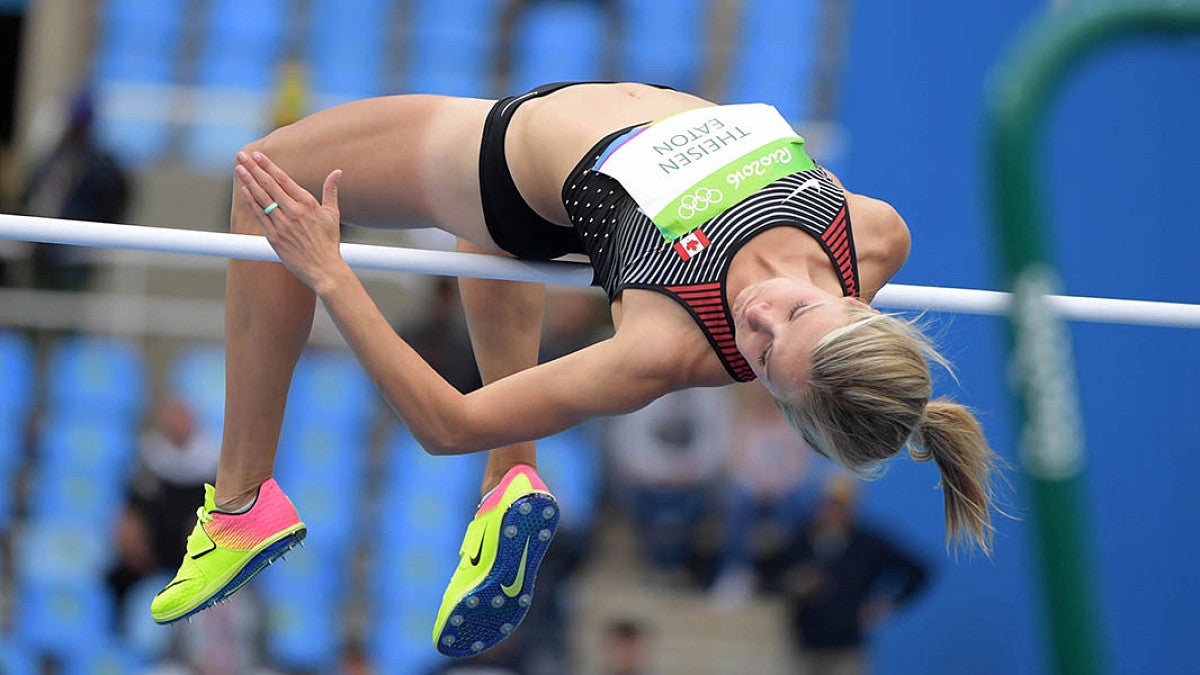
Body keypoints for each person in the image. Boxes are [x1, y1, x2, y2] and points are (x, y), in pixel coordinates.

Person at [148, 82, 999, 658]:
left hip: (511, 166)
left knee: (268, 174)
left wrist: (331, 273)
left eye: (765, 359)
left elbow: (444, 420)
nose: (761, 319)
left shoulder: (668, 344)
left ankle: (239, 501)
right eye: (799, 315)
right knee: (484, 256)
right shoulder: (877, 233)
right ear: (857, 304)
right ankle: (508, 481)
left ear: (767, 395)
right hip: (580, 170)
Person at [781, 477, 929, 675]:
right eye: (828, 503)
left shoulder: (868, 543)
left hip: (847, 647)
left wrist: (887, 603)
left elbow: (919, 570)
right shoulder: (801, 538)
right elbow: (773, 574)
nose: (833, 510)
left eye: (840, 505)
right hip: (805, 645)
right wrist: (793, 583)